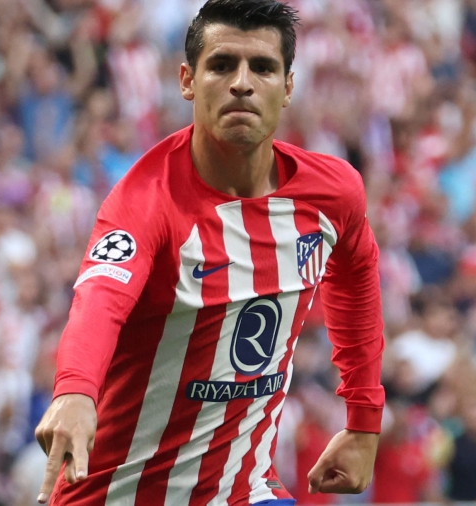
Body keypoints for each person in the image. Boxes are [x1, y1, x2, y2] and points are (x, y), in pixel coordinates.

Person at [33, 1, 385, 504]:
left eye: (262, 67)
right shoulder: (147, 201)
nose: (242, 83)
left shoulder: (332, 194)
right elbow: (99, 303)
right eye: (221, 65)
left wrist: (364, 419)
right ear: (187, 81)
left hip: (243, 489)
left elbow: (358, 276)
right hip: (117, 493)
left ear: (288, 87)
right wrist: (74, 390)